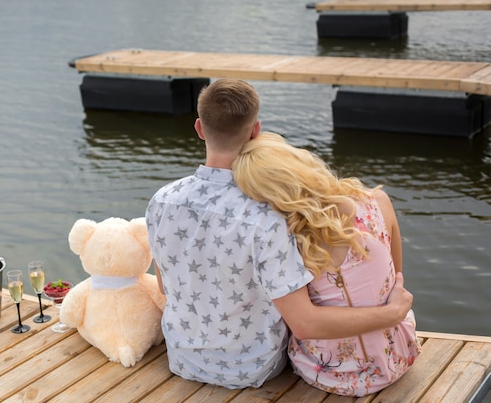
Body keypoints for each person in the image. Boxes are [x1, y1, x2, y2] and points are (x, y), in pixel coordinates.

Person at [145, 78, 413, 389]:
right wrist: (393, 313)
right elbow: (305, 322)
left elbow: (165, 287)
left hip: (183, 358)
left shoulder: (162, 200)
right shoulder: (271, 214)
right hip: (254, 367)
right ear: (256, 130)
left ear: (200, 129)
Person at [232, 131, 421, 396]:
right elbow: (396, 276)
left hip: (332, 374)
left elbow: (302, 324)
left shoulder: (288, 242)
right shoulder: (378, 203)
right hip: (399, 354)